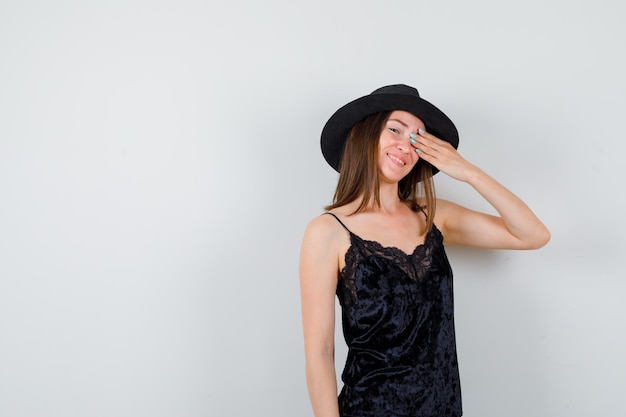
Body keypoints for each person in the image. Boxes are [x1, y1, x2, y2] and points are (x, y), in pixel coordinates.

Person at [299, 84, 550, 417]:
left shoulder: (434, 216)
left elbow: (533, 235)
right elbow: (320, 352)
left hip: (442, 409)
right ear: (365, 134)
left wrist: (469, 172)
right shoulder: (327, 232)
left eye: (418, 138)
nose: (406, 145)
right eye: (395, 130)